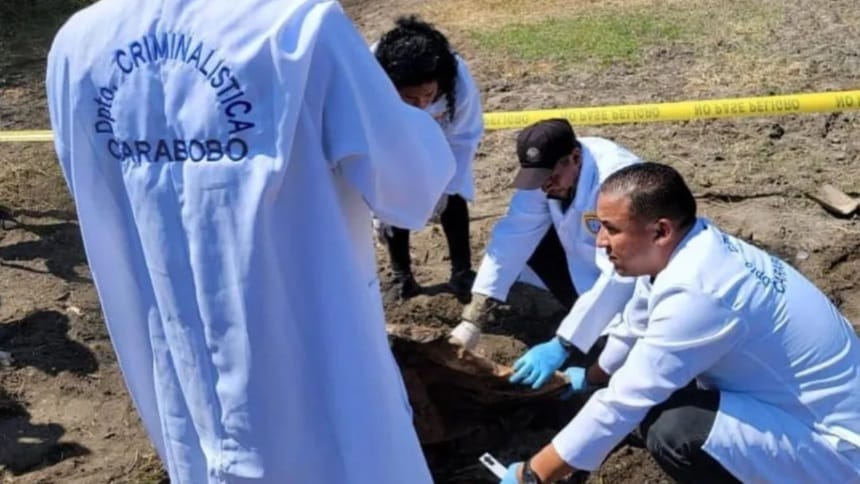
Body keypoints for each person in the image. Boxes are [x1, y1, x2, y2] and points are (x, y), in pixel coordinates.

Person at [46, 1, 456, 482]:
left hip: (184, 371)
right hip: (315, 370)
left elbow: (94, 189)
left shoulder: (78, 46)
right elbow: (412, 188)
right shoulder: (298, 28)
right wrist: (417, 117)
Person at [501, 162, 860, 483]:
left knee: (676, 431)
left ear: (660, 231)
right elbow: (635, 327)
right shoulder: (686, 247)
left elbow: (624, 401)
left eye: (611, 229)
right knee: (656, 397)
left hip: (835, 446)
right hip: (796, 405)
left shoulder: (700, 290)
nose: (600, 242)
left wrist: (533, 474)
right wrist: (592, 378)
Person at [449, 119, 641, 390]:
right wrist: (474, 317)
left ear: (575, 157)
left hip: (635, 277)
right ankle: (584, 324)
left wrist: (562, 343)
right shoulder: (551, 177)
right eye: (538, 180)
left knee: (616, 345)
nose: (545, 186)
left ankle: (597, 341)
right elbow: (514, 234)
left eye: (551, 177)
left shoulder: (619, 183)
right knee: (531, 242)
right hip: (589, 264)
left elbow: (622, 274)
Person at [372, 15, 484, 301]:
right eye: (411, 99)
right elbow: (369, 138)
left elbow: (464, 138)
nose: (421, 105)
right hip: (392, 141)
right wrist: (379, 201)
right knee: (394, 193)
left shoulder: (459, 80)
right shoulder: (370, 74)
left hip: (445, 137)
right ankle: (402, 276)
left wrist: (447, 187)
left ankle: (461, 272)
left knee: (454, 193)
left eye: (428, 96)